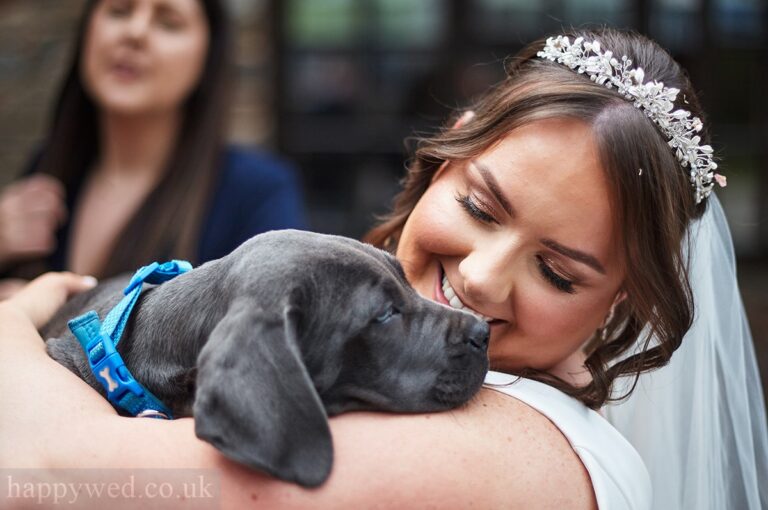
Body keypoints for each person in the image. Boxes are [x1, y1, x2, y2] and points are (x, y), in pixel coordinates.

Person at [1, 27, 766, 510]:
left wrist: (12, 323)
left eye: (559, 274)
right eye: (481, 209)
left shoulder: (510, 453)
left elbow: (39, 472)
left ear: (619, 301)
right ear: (449, 153)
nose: (480, 283)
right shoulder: (395, 353)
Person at [0, 0, 306, 296]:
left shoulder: (255, 193)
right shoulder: (51, 169)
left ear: (207, 55)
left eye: (168, 22)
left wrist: (40, 317)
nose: (135, 32)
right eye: (118, 11)